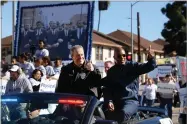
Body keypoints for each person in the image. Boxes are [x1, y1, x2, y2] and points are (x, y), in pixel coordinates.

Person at [103, 46, 156, 123]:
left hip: (131, 101)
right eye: (119, 56)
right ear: (114, 57)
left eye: (124, 55)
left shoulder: (133, 66)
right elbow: (108, 88)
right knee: (102, 113)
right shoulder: (111, 71)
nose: (122, 58)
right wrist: (109, 101)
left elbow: (149, 67)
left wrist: (151, 59)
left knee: (122, 114)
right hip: (116, 102)